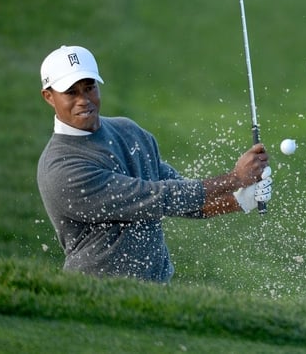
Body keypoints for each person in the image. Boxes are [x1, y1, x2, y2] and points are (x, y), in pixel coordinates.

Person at [36, 45, 272, 283]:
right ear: (49, 96)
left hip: (156, 291)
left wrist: (239, 200)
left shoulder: (128, 131)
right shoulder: (61, 167)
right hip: (96, 293)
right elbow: (158, 197)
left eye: (89, 88)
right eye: (71, 93)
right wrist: (235, 178)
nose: (83, 100)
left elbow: (182, 198)